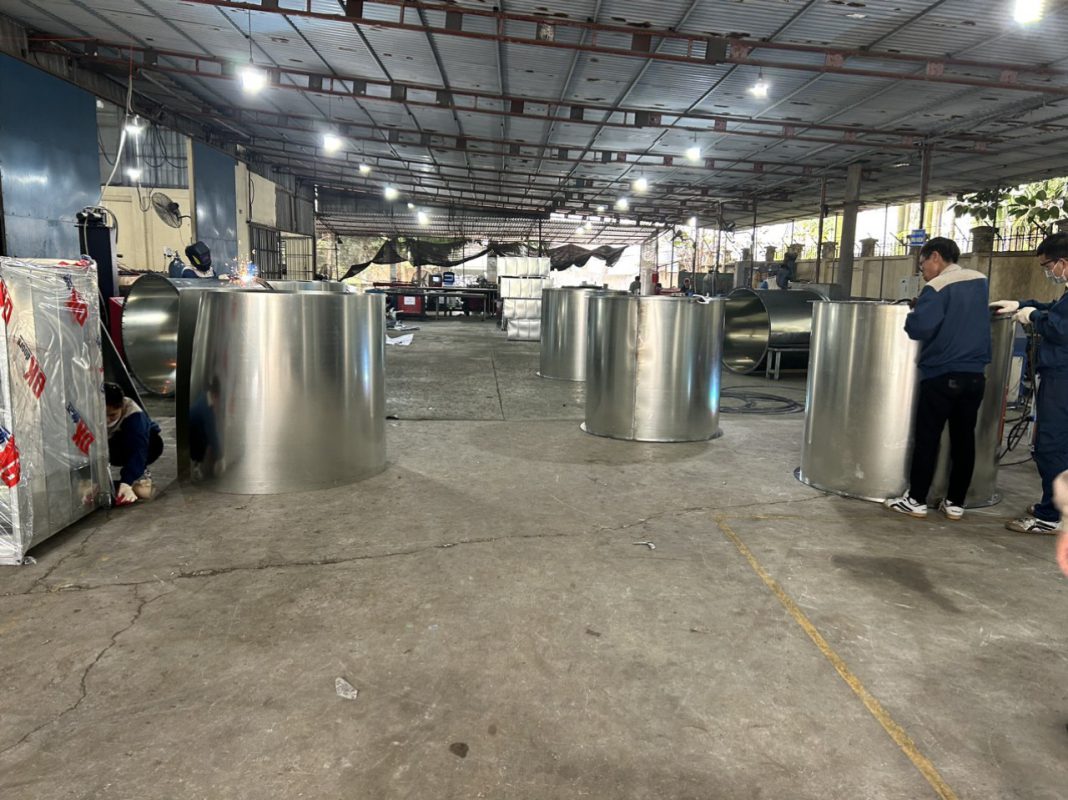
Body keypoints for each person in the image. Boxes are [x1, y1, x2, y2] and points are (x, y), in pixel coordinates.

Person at [885, 237, 991, 521]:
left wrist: (915, 311)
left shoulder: (937, 287)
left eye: (922, 265)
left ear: (935, 257)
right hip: (975, 376)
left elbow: (920, 328)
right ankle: (956, 503)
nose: (923, 272)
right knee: (963, 439)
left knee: (928, 438)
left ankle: (916, 500)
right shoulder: (980, 280)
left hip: (942, 375)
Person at [990, 232, 1068, 534]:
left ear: (1063, 262)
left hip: (1062, 378)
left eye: (1048, 266)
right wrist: (1022, 304)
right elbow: (1055, 309)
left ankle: (1050, 516)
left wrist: (1033, 316)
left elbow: (1061, 328)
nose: (1049, 272)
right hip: (1057, 375)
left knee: (1051, 446)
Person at [105, 382, 163, 506]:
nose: (107, 420)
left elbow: (139, 450)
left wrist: (126, 482)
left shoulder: (135, 417)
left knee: (142, 490)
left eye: (112, 415)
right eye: (103, 414)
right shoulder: (89, 409)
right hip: (109, 444)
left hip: (144, 445)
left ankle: (138, 476)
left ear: (121, 407)